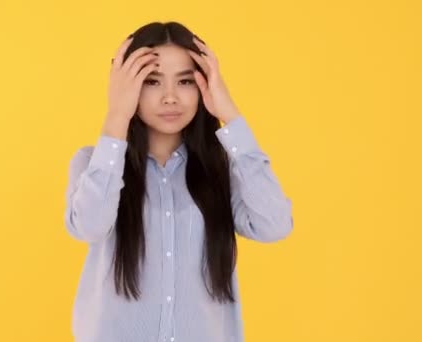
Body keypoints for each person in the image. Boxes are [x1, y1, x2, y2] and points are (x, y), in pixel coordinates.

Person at [63, 21, 293, 342]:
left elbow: (275, 225)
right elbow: (89, 225)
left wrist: (231, 115)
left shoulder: (223, 170)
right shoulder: (94, 164)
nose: (170, 97)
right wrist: (116, 115)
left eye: (185, 81)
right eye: (152, 81)